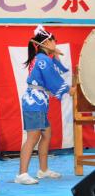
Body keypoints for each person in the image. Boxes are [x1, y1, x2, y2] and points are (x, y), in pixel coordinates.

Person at [15, 25, 76, 185]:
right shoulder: (42, 60)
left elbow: (57, 71)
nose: (56, 44)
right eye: (53, 41)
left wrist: (54, 54)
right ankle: (21, 174)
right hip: (34, 101)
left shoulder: (43, 59)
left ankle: (43, 170)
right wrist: (68, 89)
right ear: (46, 43)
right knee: (33, 136)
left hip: (38, 101)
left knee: (46, 134)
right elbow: (53, 79)